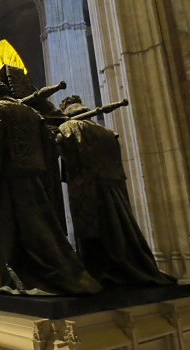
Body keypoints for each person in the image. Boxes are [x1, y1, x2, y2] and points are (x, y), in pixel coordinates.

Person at [0, 75, 102, 295]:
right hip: (36, 180)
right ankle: (65, 269)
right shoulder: (31, 113)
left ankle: (16, 273)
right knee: (42, 227)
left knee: (12, 231)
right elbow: (49, 149)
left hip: (8, 181)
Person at [57, 96, 176, 286]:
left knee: (96, 233)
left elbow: (64, 152)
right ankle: (128, 266)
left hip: (88, 187)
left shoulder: (70, 127)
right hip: (114, 186)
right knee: (119, 229)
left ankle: (100, 273)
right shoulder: (106, 131)